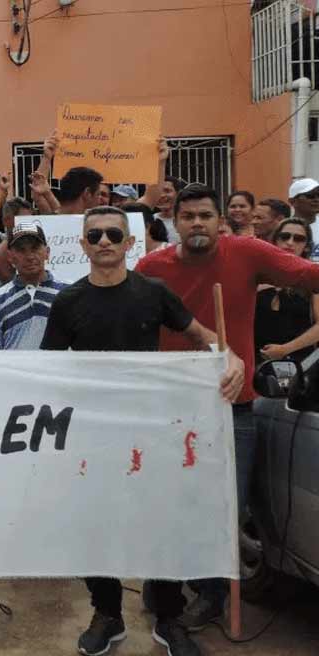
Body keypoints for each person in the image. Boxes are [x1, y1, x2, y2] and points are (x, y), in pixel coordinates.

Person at [42, 205, 244, 656]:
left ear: (130, 243)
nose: (105, 242)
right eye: (94, 236)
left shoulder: (154, 293)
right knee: (98, 525)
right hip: (92, 437)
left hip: (151, 431)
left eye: (114, 233)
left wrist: (229, 356)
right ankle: (107, 614)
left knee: (160, 522)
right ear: (83, 245)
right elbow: (48, 369)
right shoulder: (68, 302)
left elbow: (201, 334)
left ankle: (168, 618)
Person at [136, 184, 319, 631]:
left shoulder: (249, 253)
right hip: (169, 408)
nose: (197, 223)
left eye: (205, 216)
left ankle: (212, 594)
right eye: (188, 216)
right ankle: (164, 582)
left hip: (231, 407)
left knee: (223, 509)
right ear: (174, 221)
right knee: (166, 504)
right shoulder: (150, 267)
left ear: (222, 221)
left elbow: (309, 276)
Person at [0, 221, 68, 350]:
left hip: (58, 369)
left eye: (35, 248)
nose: (29, 256)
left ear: (47, 252)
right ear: (10, 257)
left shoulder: (68, 293)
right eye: (21, 250)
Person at [255, 218, 319, 363]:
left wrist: (285, 349)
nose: (290, 242)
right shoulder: (258, 274)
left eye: (298, 239)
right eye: (284, 236)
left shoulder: (313, 277)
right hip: (256, 360)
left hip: (298, 363)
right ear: (275, 240)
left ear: (307, 246)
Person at [157, 176, 187, 244]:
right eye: (158, 191)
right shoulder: (150, 220)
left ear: (178, 194)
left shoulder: (187, 221)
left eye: (167, 191)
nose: (162, 195)